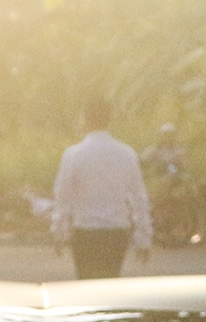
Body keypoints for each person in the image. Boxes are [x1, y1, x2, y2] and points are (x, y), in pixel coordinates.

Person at [51, 96, 154, 279]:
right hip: (116, 233)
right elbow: (139, 199)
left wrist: (59, 233)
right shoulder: (126, 154)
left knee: (87, 287)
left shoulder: (73, 155)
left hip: (85, 233)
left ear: (84, 119)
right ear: (109, 119)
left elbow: (62, 198)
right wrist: (143, 239)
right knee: (110, 287)